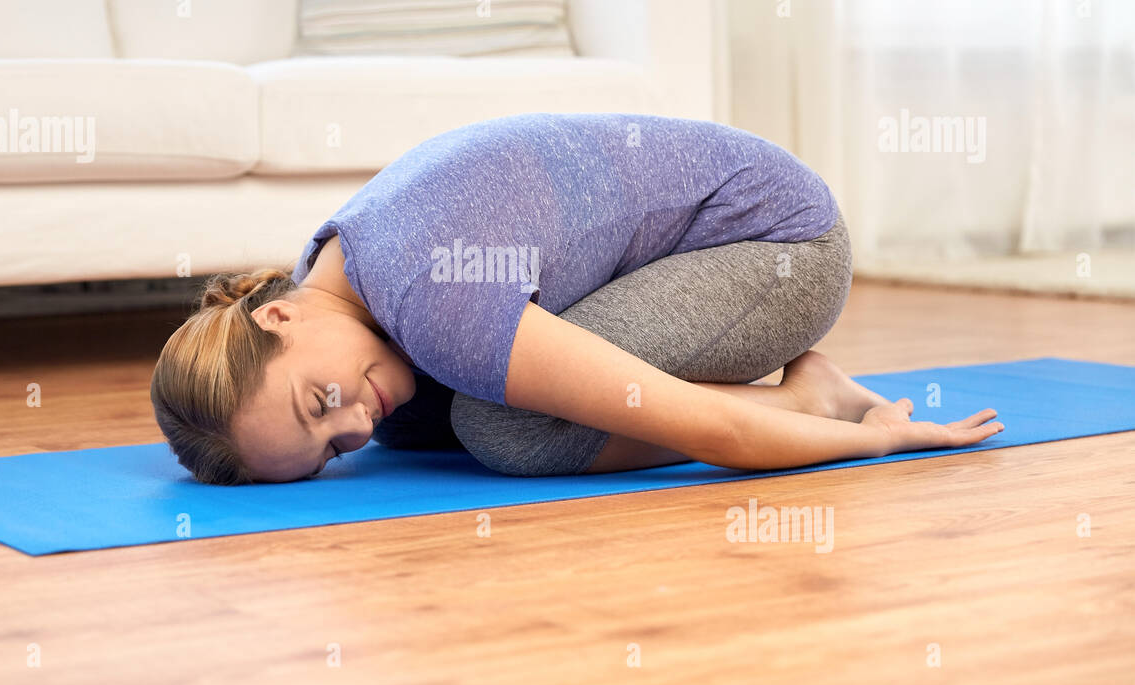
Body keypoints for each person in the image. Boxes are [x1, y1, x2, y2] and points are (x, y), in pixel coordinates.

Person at [150, 112, 1002, 485]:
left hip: (780, 249)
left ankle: (808, 393)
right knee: (431, 422)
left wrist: (865, 443)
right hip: (726, 237)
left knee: (503, 428)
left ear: (279, 314)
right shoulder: (332, 270)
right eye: (331, 449)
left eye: (319, 403)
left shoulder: (432, 291)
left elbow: (706, 429)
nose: (354, 428)